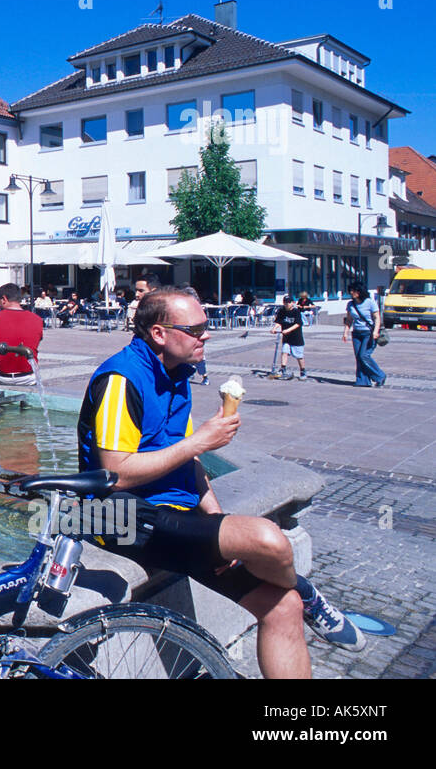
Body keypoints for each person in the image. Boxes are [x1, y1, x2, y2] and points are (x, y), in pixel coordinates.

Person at [77, 288, 364, 678]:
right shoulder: (121, 379)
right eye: (195, 329)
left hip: (171, 515)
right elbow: (116, 473)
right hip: (121, 518)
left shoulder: (176, 373)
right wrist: (201, 441)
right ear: (159, 334)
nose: (206, 335)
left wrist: (215, 517)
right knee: (270, 540)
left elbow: (186, 459)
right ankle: (307, 590)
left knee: (283, 607)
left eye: (206, 327)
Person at [0, 284, 42, 386]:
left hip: (1, 376)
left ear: (4, 299)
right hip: (28, 376)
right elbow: (35, 344)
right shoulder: (37, 319)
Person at [343, 282, 385, 387]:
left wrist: (375, 331)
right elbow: (349, 320)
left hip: (368, 333)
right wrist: (345, 332)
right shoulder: (350, 304)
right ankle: (363, 381)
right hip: (356, 333)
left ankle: (380, 376)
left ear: (359, 291)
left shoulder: (369, 302)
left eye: (353, 290)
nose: (351, 292)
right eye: (350, 290)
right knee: (358, 357)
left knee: (364, 356)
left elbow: (377, 318)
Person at [270, 294, 308, 381]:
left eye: (288, 302)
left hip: (296, 337)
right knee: (284, 351)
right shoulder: (282, 311)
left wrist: (288, 330)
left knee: (299, 356)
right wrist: (274, 328)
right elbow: (279, 321)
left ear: (292, 303)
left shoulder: (296, 312)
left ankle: (303, 370)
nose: (287, 304)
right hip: (286, 337)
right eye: (285, 302)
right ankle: (283, 368)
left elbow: (298, 324)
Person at [181, 286, 210, 385]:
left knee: (198, 356)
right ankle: (191, 373)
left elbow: (204, 322)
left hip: (196, 333)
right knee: (187, 355)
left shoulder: (197, 308)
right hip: (190, 333)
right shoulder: (188, 307)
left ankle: (205, 376)